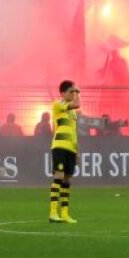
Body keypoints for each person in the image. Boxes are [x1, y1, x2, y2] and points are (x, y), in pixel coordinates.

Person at [48, 81, 81, 224]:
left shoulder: (73, 113)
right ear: (62, 93)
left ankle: (65, 213)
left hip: (70, 148)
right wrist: (78, 93)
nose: (73, 94)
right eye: (71, 92)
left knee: (67, 180)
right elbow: (76, 104)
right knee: (59, 176)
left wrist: (77, 150)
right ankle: (53, 212)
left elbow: (74, 131)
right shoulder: (58, 104)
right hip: (60, 147)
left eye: (74, 92)